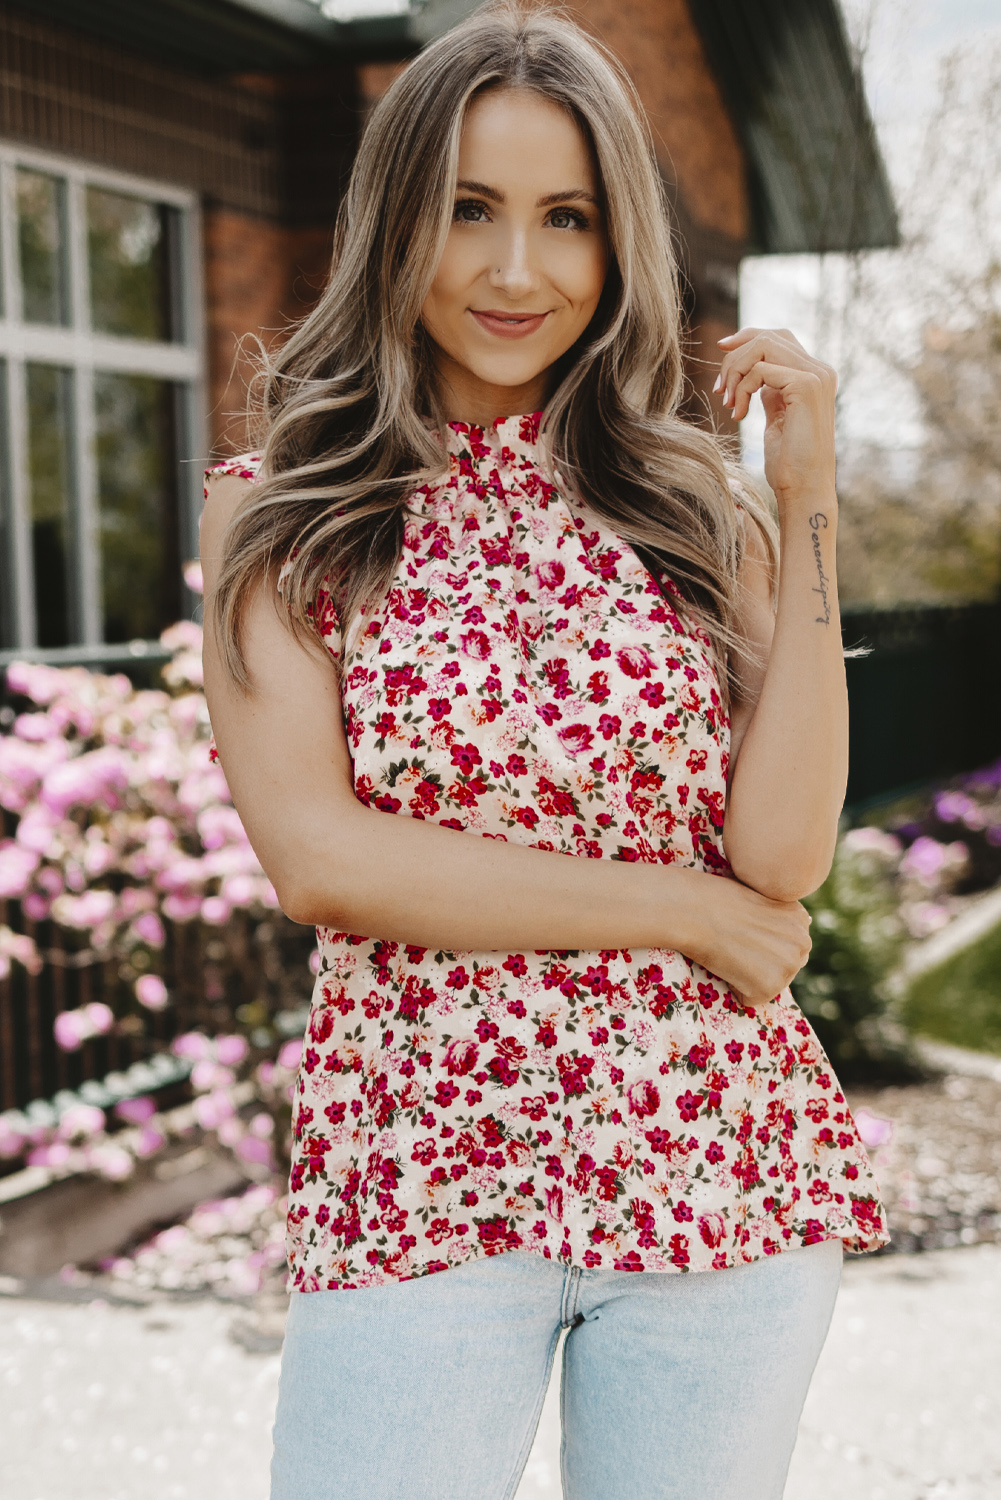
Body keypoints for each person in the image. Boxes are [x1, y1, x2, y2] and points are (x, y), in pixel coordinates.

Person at [200, 5, 886, 1496]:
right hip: (420, 1184)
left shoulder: (695, 508)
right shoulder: (282, 512)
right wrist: (677, 908)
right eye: (468, 211)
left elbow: (779, 858)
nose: (517, 272)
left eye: (564, 219)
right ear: (396, 223)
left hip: (715, 1171)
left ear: (615, 242)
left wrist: (808, 498)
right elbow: (322, 859)